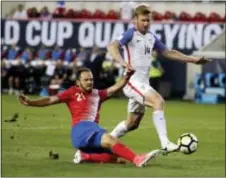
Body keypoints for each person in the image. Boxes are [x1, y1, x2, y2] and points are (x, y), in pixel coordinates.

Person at [107, 5, 211, 154]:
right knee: (158, 101)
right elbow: (112, 46)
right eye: (143, 20)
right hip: (132, 82)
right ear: (135, 20)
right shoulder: (130, 34)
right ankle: (165, 143)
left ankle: (105, 141)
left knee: (132, 123)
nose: (146, 23)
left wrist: (193, 60)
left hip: (143, 83)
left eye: (148, 20)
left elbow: (168, 52)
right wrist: (123, 63)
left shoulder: (151, 37)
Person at [18, 67, 160, 167]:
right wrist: (31, 102)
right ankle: (137, 159)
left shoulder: (97, 94)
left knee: (114, 156)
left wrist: (127, 77)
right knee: (110, 139)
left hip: (92, 130)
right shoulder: (72, 92)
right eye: (86, 80)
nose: (90, 82)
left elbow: (114, 89)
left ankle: (84, 156)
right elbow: (50, 100)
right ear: (78, 82)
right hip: (81, 129)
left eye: (91, 80)